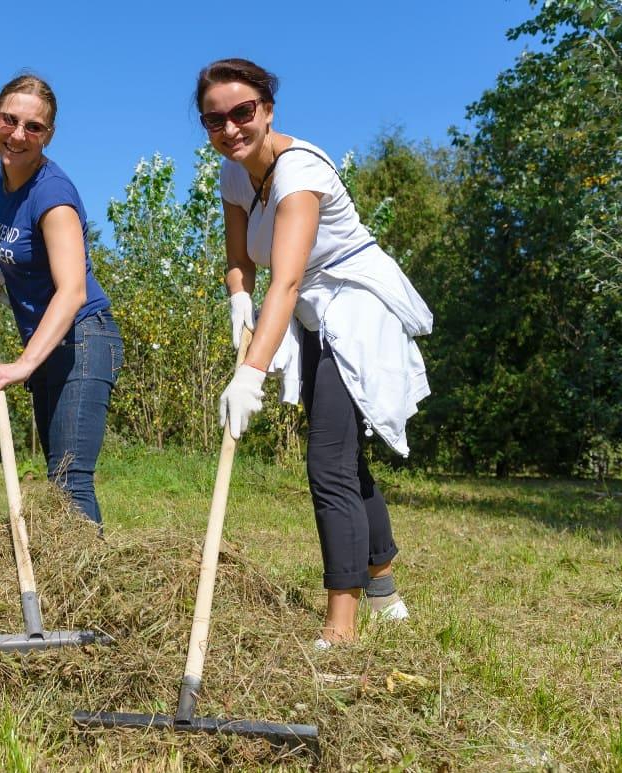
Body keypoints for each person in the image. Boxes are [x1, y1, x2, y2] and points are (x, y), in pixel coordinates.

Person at [198, 59, 432, 647]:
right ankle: (383, 589)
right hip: (310, 314)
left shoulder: (298, 172)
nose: (231, 128)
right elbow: (243, 262)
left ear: (268, 111)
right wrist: (236, 300)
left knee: (328, 462)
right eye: (215, 119)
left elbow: (289, 281)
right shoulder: (232, 174)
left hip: (356, 306)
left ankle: (342, 629)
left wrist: (250, 375)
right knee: (344, 457)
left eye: (243, 112)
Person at [0, 74, 123, 525]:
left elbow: (71, 289)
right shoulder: (0, 183)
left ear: (48, 135)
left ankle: (90, 591)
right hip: (49, 343)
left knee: (70, 480)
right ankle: (66, 587)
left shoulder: (53, 194)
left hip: (83, 340)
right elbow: (28, 262)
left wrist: (24, 364)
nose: (18, 135)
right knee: (57, 482)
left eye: (33, 127)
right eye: (9, 120)